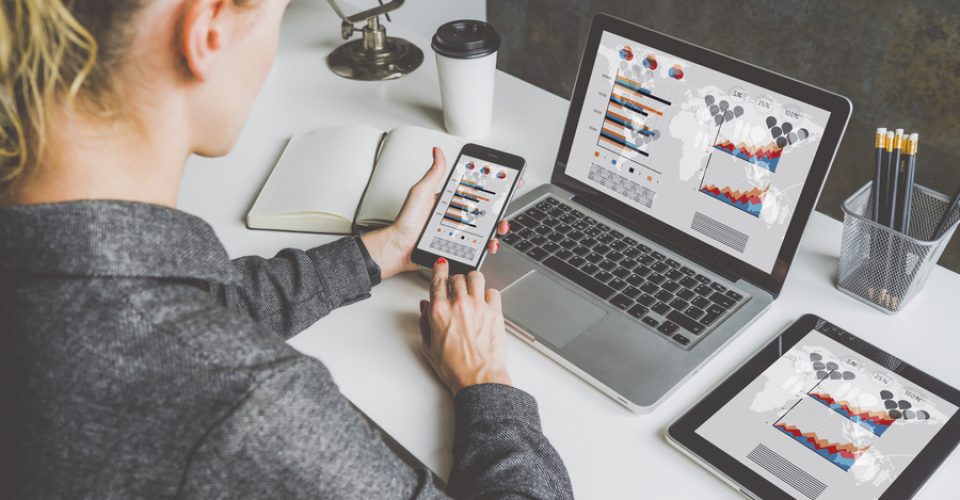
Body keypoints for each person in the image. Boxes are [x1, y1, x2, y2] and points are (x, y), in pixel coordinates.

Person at [0, 1, 573, 499]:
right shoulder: (242, 403)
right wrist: (486, 385)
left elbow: (152, 314)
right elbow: (172, 347)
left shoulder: (51, 265)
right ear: (207, 32)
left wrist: (381, 251)